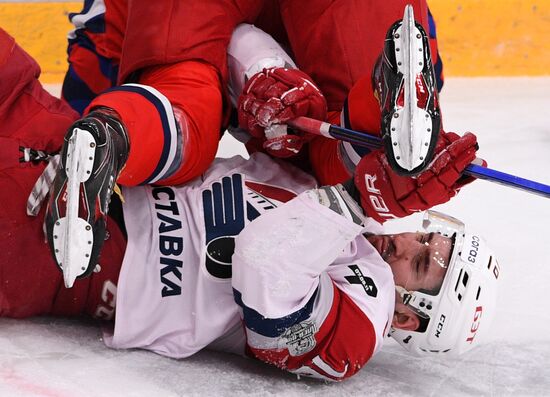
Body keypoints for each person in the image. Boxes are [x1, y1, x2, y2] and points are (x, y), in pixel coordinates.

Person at [0, 29, 499, 382]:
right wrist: (267, 85)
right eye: (428, 237)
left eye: (421, 263)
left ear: (410, 318)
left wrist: (354, 202)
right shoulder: (340, 203)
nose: (407, 241)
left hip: (72, 251)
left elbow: (264, 264)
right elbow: (233, 39)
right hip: (71, 140)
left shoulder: (357, 328)